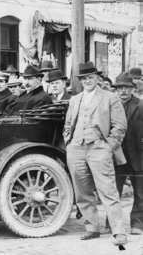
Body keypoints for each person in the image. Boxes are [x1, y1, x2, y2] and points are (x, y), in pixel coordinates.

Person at [64, 61, 127, 246]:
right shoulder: (75, 99)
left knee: (108, 190)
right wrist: (69, 141)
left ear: (98, 78)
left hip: (99, 148)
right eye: (83, 78)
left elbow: (120, 126)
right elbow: (68, 124)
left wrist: (109, 147)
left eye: (90, 77)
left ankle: (119, 231)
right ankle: (92, 227)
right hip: (76, 148)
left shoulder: (110, 97)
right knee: (82, 191)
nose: (87, 81)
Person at [111, 72, 143, 236]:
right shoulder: (110, 105)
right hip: (117, 156)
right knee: (113, 190)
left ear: (132, 89)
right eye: (119, 87)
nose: (123, 91)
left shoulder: (140, 105)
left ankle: (137, 223)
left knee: (140, 192)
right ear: (115, 89)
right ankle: (111, 224)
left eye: (126, 87)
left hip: (138, 155)